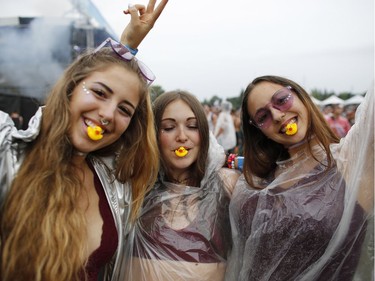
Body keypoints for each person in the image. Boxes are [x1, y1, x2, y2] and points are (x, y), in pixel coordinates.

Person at [0, 1, 168, 280]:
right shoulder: (10, 152)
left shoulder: (114, 182)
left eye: (124, 109)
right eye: (100, 93)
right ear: (70, 89)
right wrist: (124, 46)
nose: (107, 115)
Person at [225, 76, 373, 281]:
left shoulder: (351, 161)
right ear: (259, 130)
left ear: (300, 96)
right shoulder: (257, 180)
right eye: (263, 116)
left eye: (281, 100)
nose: (277, 115)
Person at [123, 90, 240, 281]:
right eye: (168, 128)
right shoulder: (136, 185)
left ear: (203, 132)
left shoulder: (227, 183)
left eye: (192, 126)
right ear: (153, 135)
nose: (182, 137)